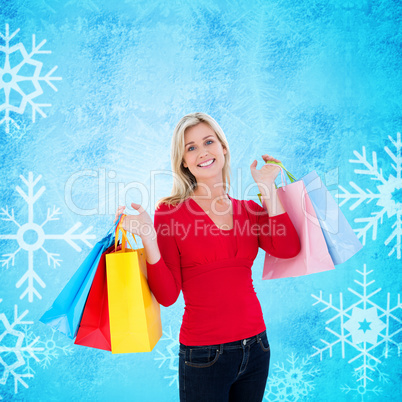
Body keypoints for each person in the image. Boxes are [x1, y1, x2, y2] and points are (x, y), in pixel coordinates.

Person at [114, 112, 301, 401]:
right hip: (203, 356)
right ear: (183, 162)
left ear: (223, 148)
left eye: (209, 141)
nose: (202, 152)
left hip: (257, 348)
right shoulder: (170, 213)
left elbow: (289, 248)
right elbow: (166, 295)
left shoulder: (249, 210)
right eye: (191, 147)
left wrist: (267, 188)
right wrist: (148, 237)